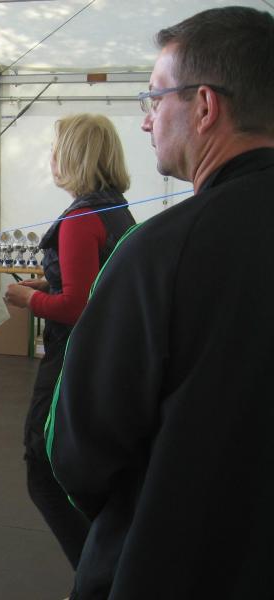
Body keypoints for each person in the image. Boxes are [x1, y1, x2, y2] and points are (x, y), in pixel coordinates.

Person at [46, 7, 274, 598]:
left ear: (205, 106)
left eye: (154, 98)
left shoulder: (162, 252)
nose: (147, 120)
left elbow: (78, 453)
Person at [5, 114, 135, 570]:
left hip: (71, 360)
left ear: (74, 156)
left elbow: (76, 307)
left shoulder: (80, 218)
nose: (52, 158)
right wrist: (48, 283)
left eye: (56, 149)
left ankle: (93, 580)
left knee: (42, 468)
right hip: (106, 359)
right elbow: (94, 282)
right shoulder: (115, 209)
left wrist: (29, 298)